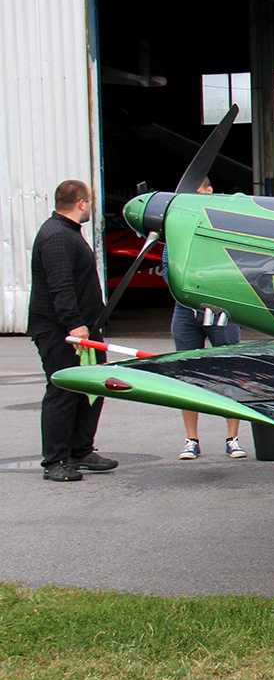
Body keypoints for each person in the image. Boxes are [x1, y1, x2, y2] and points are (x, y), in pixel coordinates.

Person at [28, 180, 118, 482]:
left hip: (85, 328)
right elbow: (60, 285)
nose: (91, 207)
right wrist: (74, 324)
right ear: (81, 202)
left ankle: (80, 450)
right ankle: (55, 460)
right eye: (89, 202)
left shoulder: (67, 233)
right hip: (62, 330)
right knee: (64, 390)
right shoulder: (56, 237)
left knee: (91, 389)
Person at [168, 179, 246, 460]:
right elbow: (169, 268)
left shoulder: (223, 220)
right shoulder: (178, 226)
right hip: (185, 310)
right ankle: (191, 440)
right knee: (186, 374)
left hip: (222, 310)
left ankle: (232, 438)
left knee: (230, 371)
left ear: (210, 191)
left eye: (198, 190)